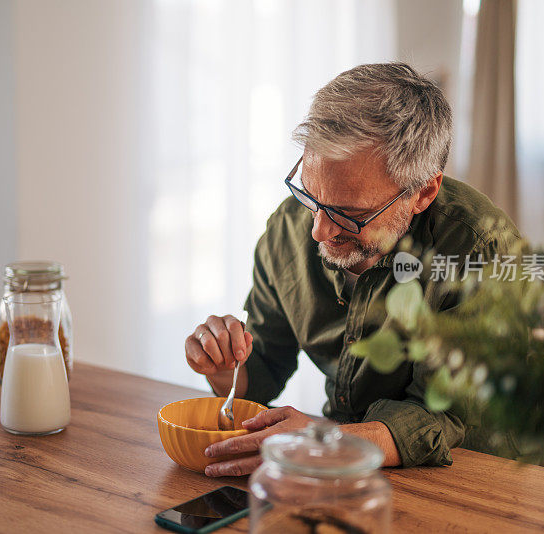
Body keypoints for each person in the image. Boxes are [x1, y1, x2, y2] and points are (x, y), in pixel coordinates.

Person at [184, 62, 521, 477]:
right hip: (349, 467)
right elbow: (265, 369)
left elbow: (443, 418)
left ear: (423, 192)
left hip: (477, 476)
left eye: (351, 214)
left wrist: (323, 441)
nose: (319, 230)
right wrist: (224, 368)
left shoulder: (481, 250)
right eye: (312, 193)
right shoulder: (290, 227)